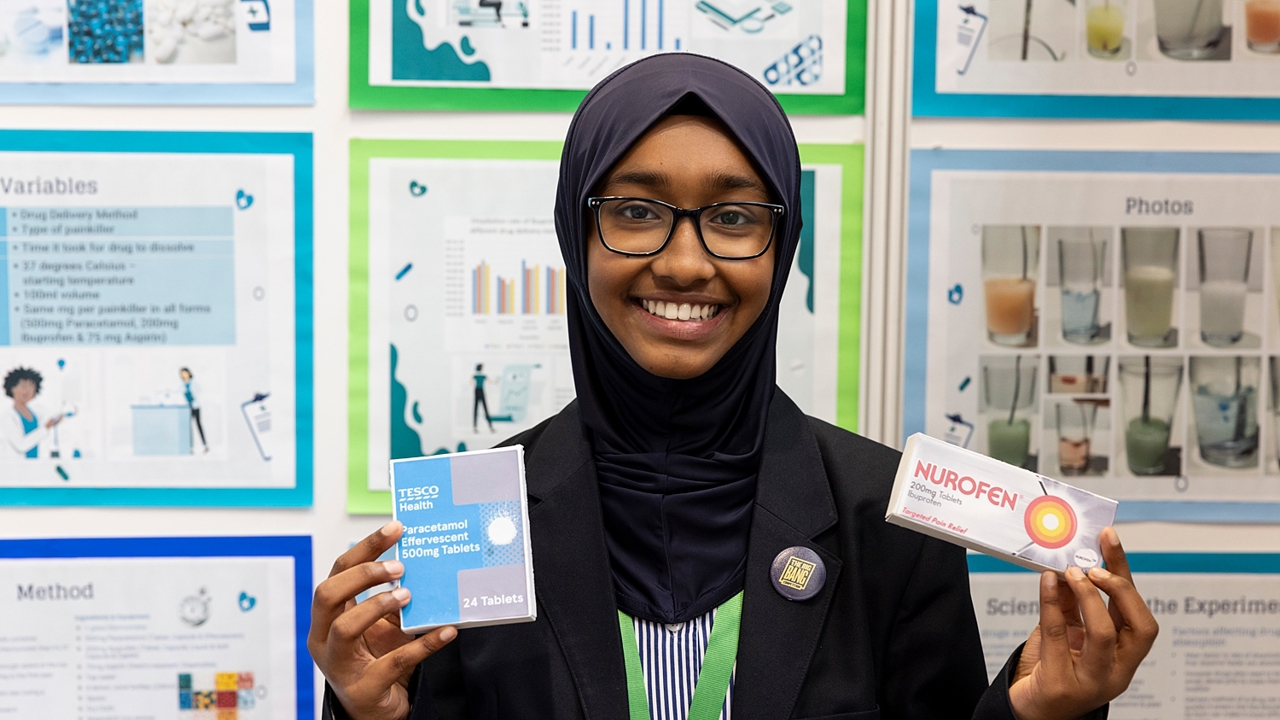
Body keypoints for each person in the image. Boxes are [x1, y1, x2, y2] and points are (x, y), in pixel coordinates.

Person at [310, 54, 1157, 720]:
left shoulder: (882, 519)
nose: (684, 262)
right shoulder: (471, 518)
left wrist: (1041, 715)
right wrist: (367, 712)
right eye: (636, 210)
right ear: (579, 232)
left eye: (733, 216)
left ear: (781, 246)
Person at [2, 367, 61, 459]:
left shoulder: (37, 412)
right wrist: (46, 428)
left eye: (31, 386)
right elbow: (21, 445)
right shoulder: (6, 416)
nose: (27, 390)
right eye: (23, 386)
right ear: (12, 388)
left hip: (35, 465)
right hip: (17, 467)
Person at [180, 367, 209, 454]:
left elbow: (197, 392)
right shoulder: (182, 384)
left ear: (189, 373)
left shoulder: (194, 383)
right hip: (187, 408)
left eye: (185, 373)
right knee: (189, 428)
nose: (184, 375)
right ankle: (190, 447)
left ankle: (205, 445)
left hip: (195, 406)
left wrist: (192, 395)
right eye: (182, 374)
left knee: (198, 425)